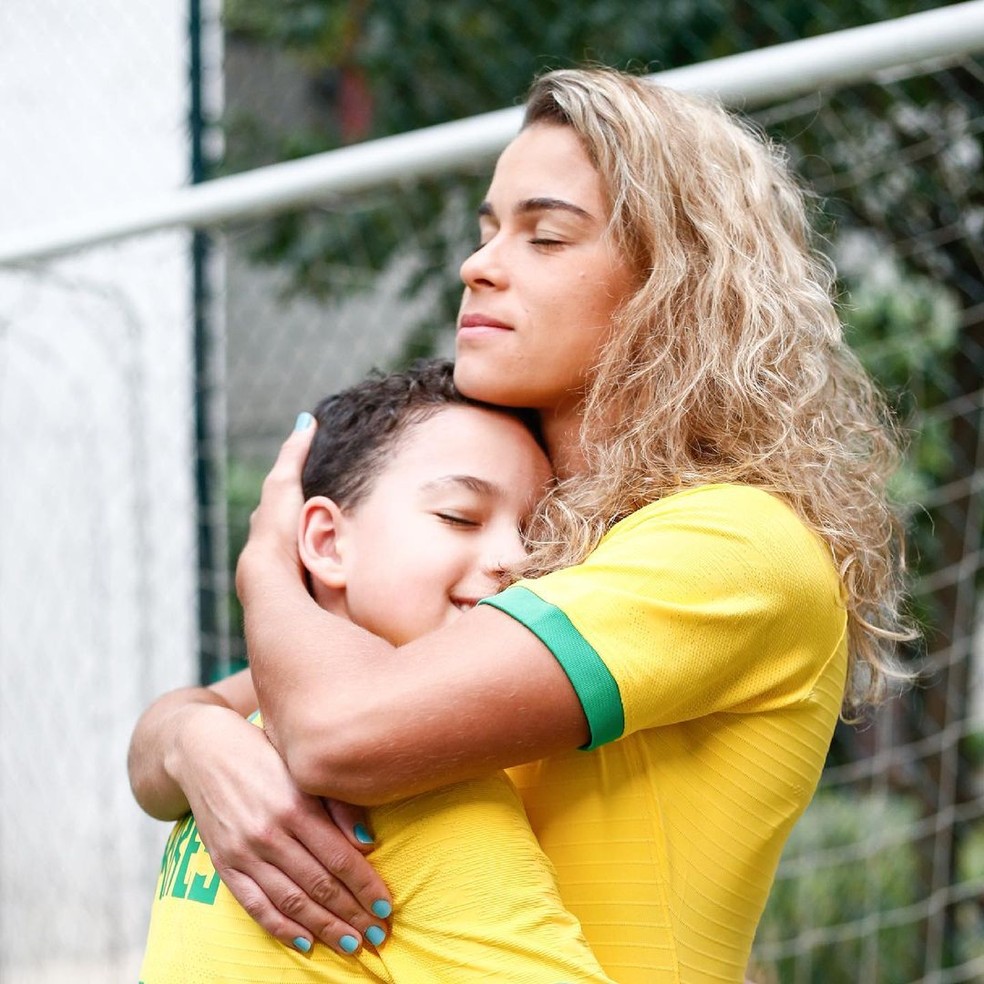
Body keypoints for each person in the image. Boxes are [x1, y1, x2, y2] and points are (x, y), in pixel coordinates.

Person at [129, 67, 914, 982]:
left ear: (677, 283)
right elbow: (188, 727)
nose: (479, 264)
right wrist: (202, 747)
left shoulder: (734, 544)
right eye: (487, 231)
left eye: (544, 235)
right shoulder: (528, 552)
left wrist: (268, 562)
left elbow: (336, 732)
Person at [138, 359, 615, 983]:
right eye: (459, 517)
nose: (517, 560)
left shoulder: (267, 726)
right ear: (327, 542)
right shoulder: (433, 793)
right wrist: (189, 735)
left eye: (537, 533)